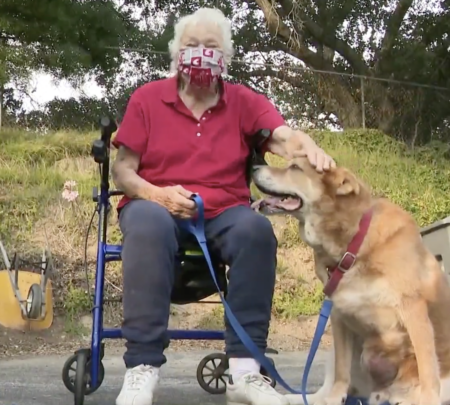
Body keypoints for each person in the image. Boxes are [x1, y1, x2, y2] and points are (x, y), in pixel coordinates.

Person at [110, 7, 336, 405]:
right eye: (191, 45)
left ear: (225, 58)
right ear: (175, 53)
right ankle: (141, 368)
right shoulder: (146, 98)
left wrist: (307, 145)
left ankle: (246, 372)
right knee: (147, 222)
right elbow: (124, 171)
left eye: (211, 46)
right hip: (155, 203)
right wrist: (158, 194)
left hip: (222, 211)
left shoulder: (244, 101)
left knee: (255, 231)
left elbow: (283, 139)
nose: (201, 53)